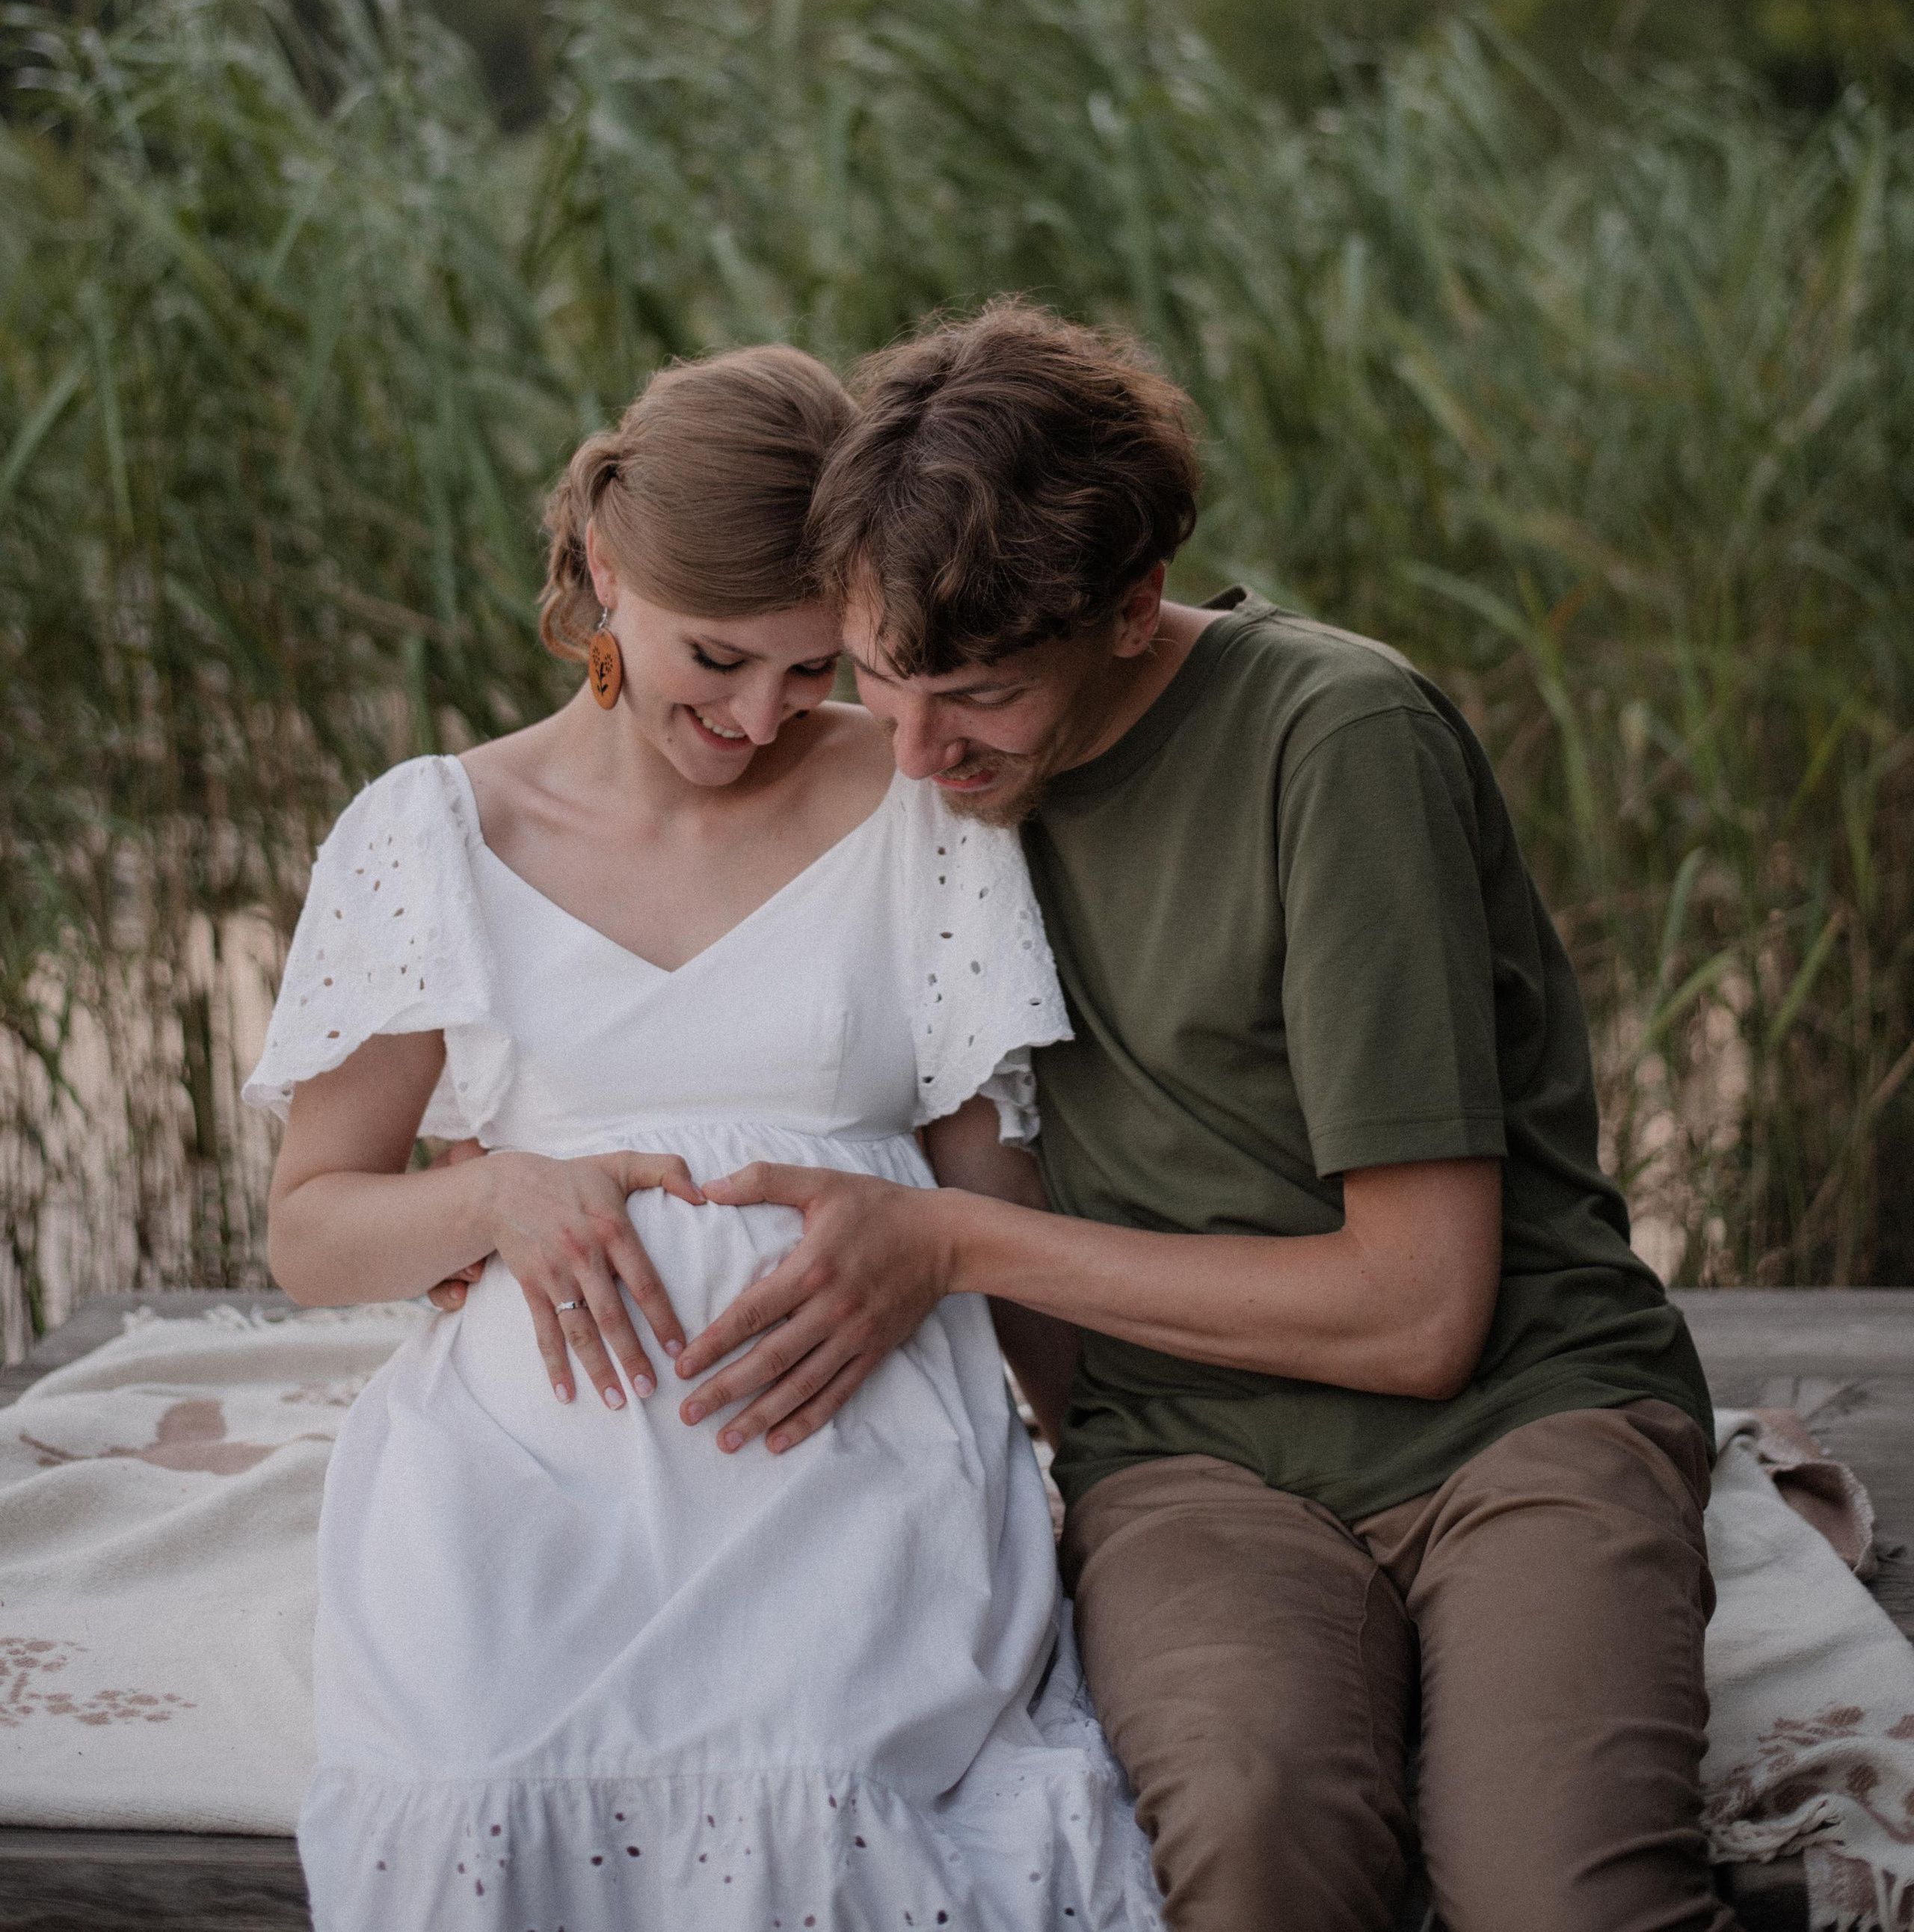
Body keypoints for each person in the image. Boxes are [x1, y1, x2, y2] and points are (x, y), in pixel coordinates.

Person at [661, 303, 1734, 1932]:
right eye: (876, 681)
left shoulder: (1332, 742)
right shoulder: (915, 775)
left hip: (1514, 1421)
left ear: (1131, 605)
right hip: (1188, 1458)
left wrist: (952, 1243)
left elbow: (1421, 1310)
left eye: (976, 699)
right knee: (1249, 1840)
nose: (918, 752)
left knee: (1551, 1892)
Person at [244, 344, 1162, 1932]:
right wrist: (500, 1196)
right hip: (533, 1481)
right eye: (717, 657)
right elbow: (311, 1229)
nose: (757, 718)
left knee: (834, 1788)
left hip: (849, 1460)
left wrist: (1107, 1459)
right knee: (482, 1795)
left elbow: (984, 1186)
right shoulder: (433, 833)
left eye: (814, 671)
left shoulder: (916, 799)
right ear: (605, 569)